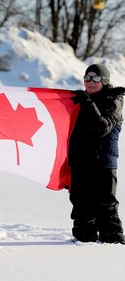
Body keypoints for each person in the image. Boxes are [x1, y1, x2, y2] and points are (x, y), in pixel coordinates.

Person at [68, 64, 125, 244]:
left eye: (95, 78)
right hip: (81, 160)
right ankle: (84, 239)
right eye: (87, 78)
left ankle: (112, 241)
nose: (90, 82)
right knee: (81, 203)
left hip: (103, 161)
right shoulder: (81, 99)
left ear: (104, 80)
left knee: (105, 205)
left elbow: (102, 127)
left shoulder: (114, 99)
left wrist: (87, 103)